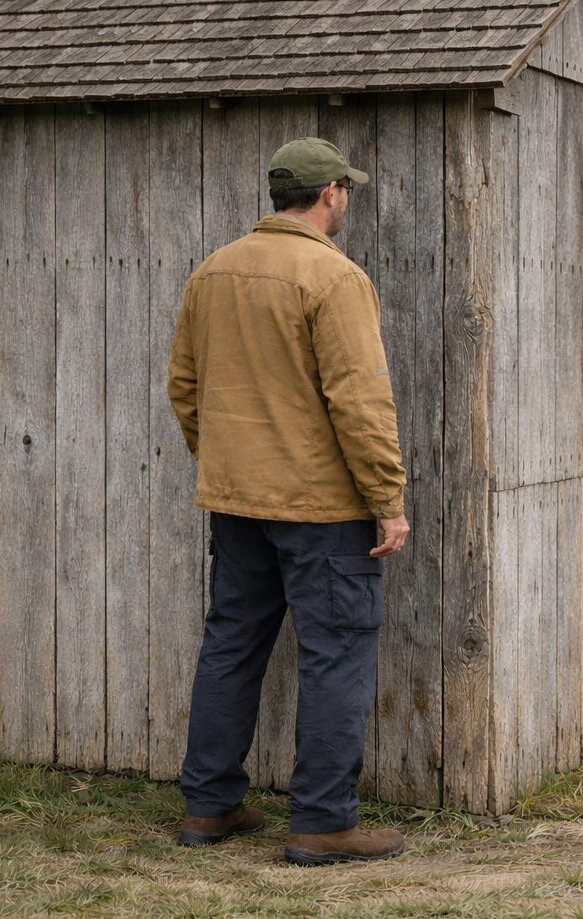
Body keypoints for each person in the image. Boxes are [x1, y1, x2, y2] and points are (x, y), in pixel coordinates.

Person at [167, 137, 410, 865]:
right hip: (324, 511)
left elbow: (184, 387)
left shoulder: (214, 270)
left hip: (237, 504)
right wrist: (386, 500)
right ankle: (323, 823)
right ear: (330, 193)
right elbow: (360, 401)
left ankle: (209, 809)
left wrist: (227, 464)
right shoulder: (333, 278)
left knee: (231, 646)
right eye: (346, 191)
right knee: (335, 656)